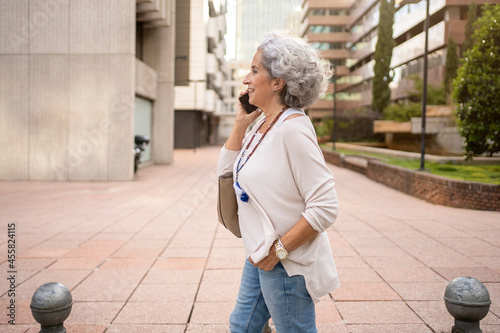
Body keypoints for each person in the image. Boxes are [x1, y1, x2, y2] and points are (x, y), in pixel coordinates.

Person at [217, 31, 340, 333]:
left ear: (277, 82)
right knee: (242, 327)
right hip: (259, 252)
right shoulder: (262, 124)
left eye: (255, 70)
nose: (246, 79)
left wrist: (278, 253)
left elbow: (325, 206)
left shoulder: (293, 130)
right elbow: (225, 174)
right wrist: (239, 125)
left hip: (286, 261)